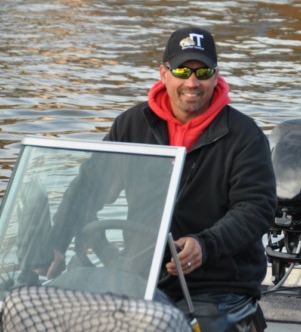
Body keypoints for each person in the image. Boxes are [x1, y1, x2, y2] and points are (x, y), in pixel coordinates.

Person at [49, 26, 278, 332]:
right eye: (182, 71)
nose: (192, 82)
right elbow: (89, 187)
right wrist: (57, 241)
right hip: (138, 275)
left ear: (216, 75)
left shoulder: (245, 135)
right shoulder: (131, 125)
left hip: (217, 285)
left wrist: (205, 245)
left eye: (203, 72)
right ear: (164, 74)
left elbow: (256, 208)